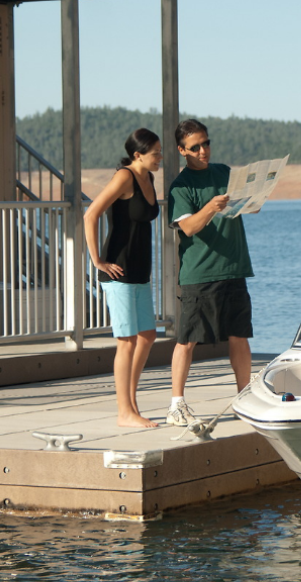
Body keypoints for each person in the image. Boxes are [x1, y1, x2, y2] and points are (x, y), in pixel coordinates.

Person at [166, 119, 253, 427]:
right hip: (200, 273)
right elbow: (188, 226)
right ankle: (177, 404)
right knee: (187, 339)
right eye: (195, 147)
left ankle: (244, 397)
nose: (203, 150)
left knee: (239, 335)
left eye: (206, 143)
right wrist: (212, 208)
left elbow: (249, 205)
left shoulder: (225, 173)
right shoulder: (181, 186)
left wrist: (254, 200)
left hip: (234, 267)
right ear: (181, 151)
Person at [83, 128, 162, 428]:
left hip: (140, 271)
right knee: (126, 341)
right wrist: (97, 260)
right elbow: (91, 215)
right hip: (119, 272)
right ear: (138, 154)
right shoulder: (124, 177)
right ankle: (123, 412)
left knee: (147, 336)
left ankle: (131, 403)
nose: (160, 158)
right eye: (155, 153)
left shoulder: (149, 178)